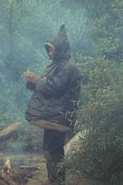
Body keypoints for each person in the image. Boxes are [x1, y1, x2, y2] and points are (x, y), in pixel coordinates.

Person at [24, 25, 81, 184]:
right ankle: (55, 181)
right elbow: (44, 85)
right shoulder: (56, 65)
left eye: (52, 50)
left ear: (60, 49)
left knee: (54, 153)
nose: (50, 53)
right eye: (48, 50)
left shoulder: (68, 68)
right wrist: (32, 82)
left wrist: (37, 81)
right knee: (51, 151)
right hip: (51, 117)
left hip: (58, 116)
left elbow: (54, 87)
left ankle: (57, 182)